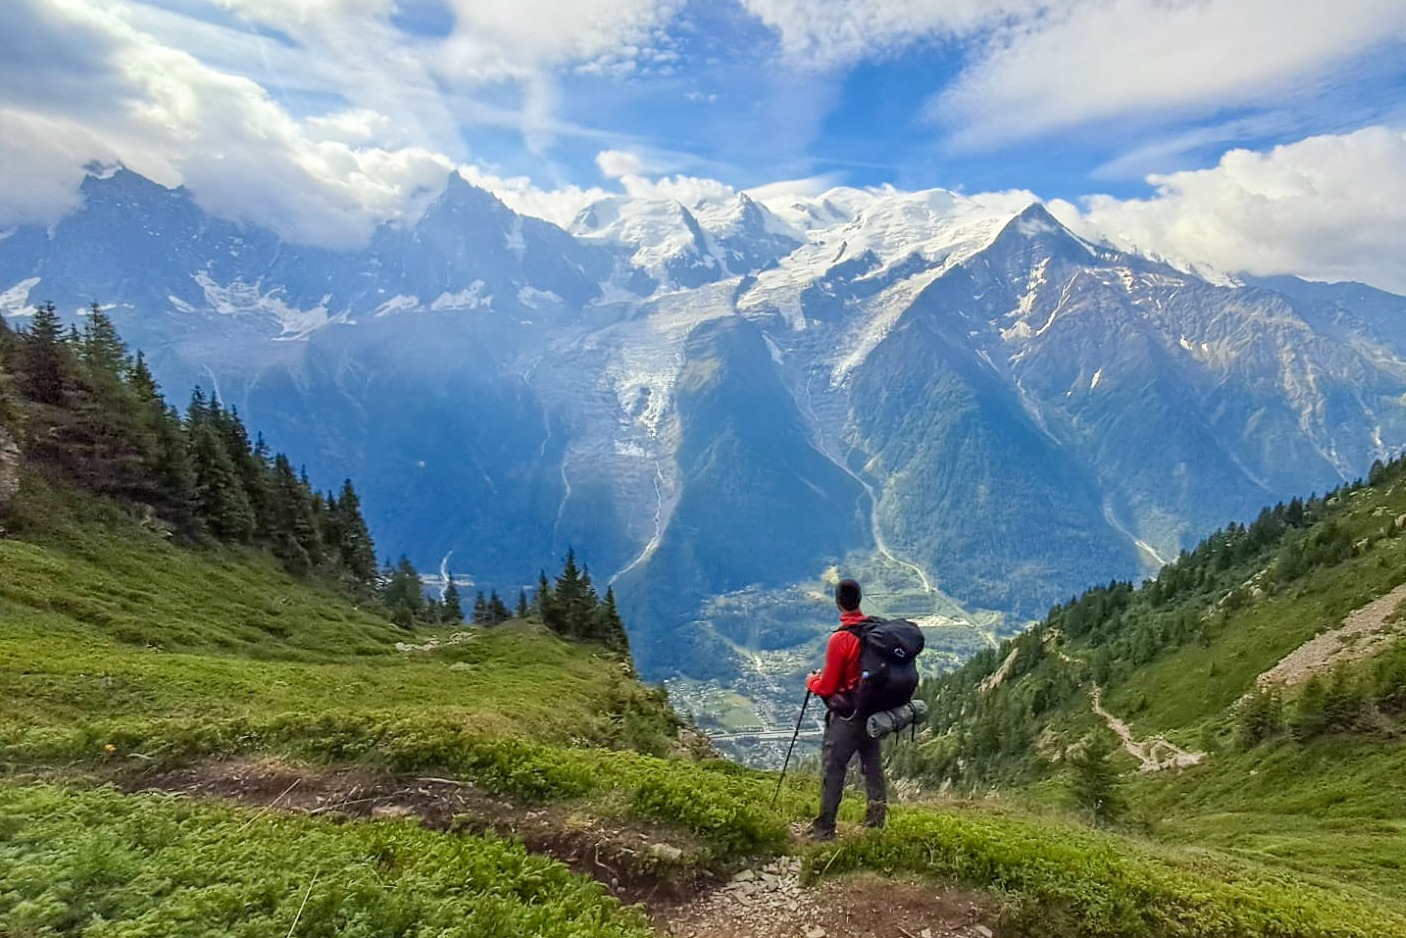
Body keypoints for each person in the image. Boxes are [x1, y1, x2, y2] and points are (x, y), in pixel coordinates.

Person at [806, 577, 886, 840]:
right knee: (873, 769)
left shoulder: (841, 639)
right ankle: (875, 828)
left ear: (839, 603)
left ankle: (825, 830)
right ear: (859, 600)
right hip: (875, 713)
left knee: (834, 768)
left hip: (849, 716)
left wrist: (811, 680)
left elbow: (827, 687)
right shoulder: (876, 631)